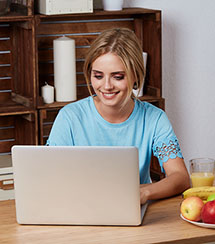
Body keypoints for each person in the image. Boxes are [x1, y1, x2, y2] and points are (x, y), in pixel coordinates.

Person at [47, 28, 190, 204]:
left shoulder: (154, 118)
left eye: (118, 77)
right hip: (80, 210)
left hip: (132, 210)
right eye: (98, 76)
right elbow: (51, 178)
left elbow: (180, 177)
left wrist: (144, 193)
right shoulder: (69, 117)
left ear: (135, 75)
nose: (106, 86)